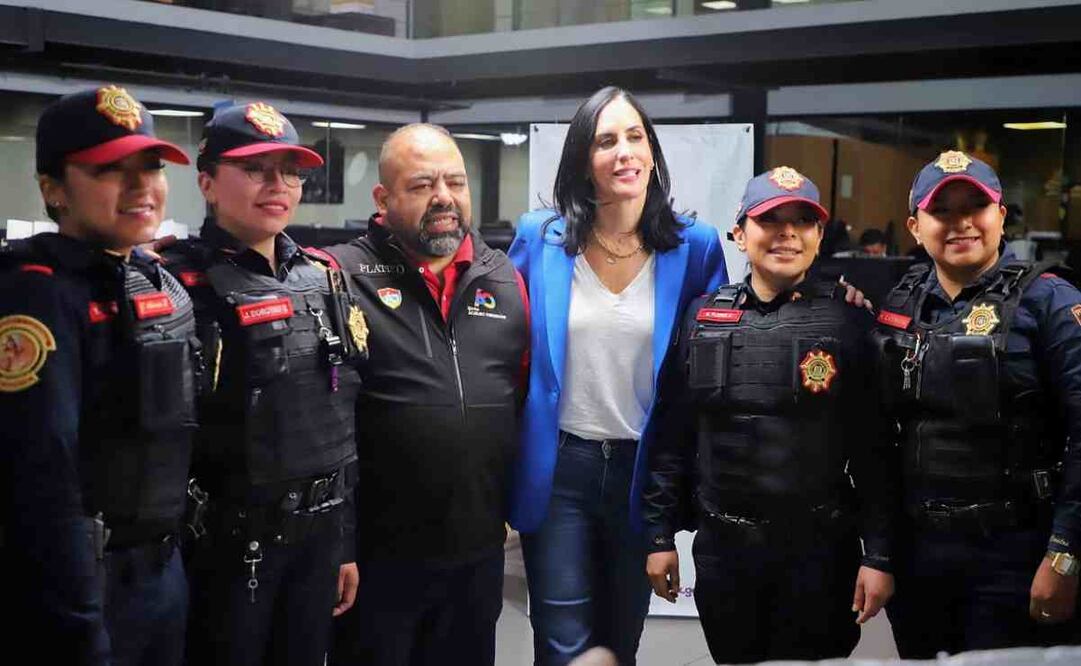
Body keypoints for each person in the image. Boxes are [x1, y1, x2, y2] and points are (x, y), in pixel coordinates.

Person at [507, 86, 728, 666]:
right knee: (561, 644)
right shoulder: (542, 237)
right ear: (584, 159)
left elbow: (712, 356)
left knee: (620, 642)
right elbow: (496, 331)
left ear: (652, 153)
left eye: (635, 137)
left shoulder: (694, 247)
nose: (624, 151)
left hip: (641, 473)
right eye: (606, 140)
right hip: (561, 470)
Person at [644, 167, 897, 664]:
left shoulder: (850, 321)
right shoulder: (700, 318)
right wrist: (658, 535)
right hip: (724, 554)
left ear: (820, 236)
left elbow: (876, 450)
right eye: (769, 220)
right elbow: (673, 436)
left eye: (803, 221)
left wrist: (879, 555)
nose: (787, 233)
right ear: (739, 234)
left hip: (819, 556)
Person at [160, 102, 365, 666]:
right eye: (256, 169)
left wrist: (343, 541)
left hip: (319, 535)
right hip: (225, 545)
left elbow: (339, 413)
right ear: (206, 182)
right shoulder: (176, 282)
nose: (278, 186)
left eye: (290, 171)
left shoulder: (322, 277)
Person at [0, 86, 196, 666]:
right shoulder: (36, 293)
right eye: (110, 170)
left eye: (151, 167)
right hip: (84, 584)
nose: (141, 188)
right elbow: (42, 476)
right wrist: (79, 621)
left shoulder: (143, 276)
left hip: (159, 569)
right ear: (53, 190)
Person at [325, 123, 529, 666]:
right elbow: (326, 425)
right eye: (421, 185)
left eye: (455, 182)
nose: (443, 197)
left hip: (477, 552)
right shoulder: (339, 276)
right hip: (377, 557)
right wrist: (339, 543)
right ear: (383, 198)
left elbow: (522, 395)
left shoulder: (504, 277)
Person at [875, 150, 1081, 656]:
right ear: (915, 226)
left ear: (1001, 216)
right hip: (919, 553)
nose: (961, 223)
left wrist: (1066, 554)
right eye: (942, 211)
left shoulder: (1049, 301)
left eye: (977, 207)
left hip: (1015, 550)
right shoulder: (900, 303)